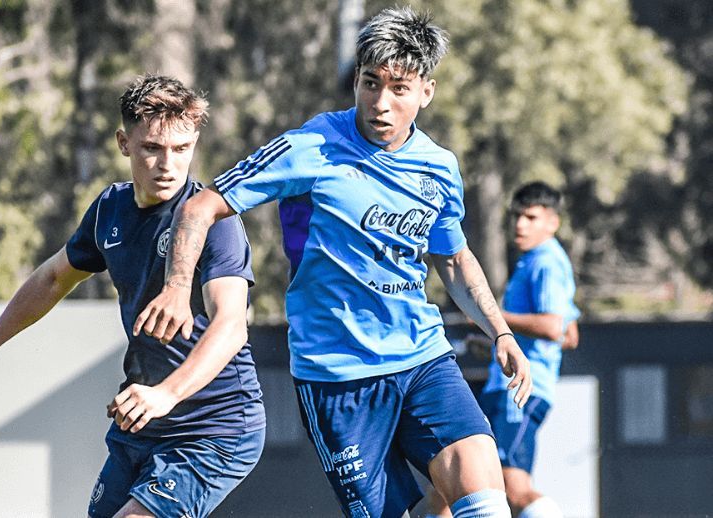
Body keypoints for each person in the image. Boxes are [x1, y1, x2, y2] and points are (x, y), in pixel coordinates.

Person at [135, 8, 531, 518]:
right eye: (371, 83)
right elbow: (201, 205)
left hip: (422, 361)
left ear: (426, 92)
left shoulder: (438, 166)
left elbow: (452, 259)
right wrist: (176, 287)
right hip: (337, 379)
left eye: (399, 88)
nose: (381, 103)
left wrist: (499, 330)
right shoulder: (312, 147)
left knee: (488, 507)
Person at [0, 74, 265, 518]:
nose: (168, 164)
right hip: (141, 422)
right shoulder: (109, 210)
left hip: (214, 427)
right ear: (123, 143)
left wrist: (166, 394)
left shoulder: (214, 220)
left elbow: (231, 325)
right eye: (152, 148)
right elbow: (53, 279)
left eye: (181, 149)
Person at [429, 182, 580, 518]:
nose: (520, 225)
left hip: (519, 390)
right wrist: (497, 342)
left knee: (513, 489)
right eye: (516, 217)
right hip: (508, 386)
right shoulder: (536, 261)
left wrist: (492, 317)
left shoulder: (545, 261)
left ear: (552, 223)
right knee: (451, 481)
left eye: (530, 217)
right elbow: (570, 334)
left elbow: (555, 327)